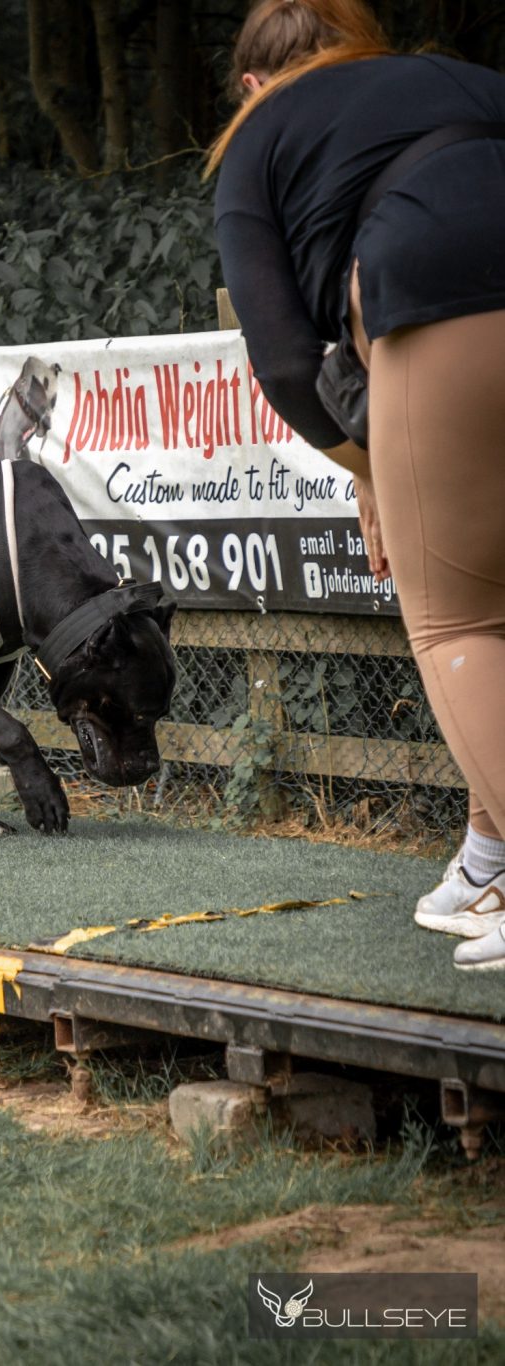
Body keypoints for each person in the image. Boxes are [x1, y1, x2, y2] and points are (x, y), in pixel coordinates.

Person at [208, 0, 505, 971]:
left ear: (251, 86)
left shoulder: (260, 133)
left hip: (437, 288)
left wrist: (377, 473)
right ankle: (488, 860)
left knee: (459, 620)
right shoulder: (453, 77)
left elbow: (286, 362)